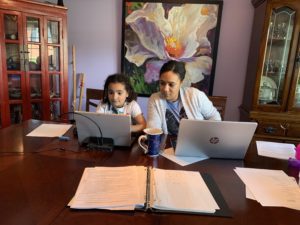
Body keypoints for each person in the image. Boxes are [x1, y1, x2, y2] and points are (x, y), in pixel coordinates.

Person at [147, 60, 221, 135]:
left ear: (181, 83)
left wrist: (204, 136)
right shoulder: (155, 99)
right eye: (162, 83)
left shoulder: (196, 95)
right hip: (170, 144)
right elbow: (153, 130)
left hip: (197, 141)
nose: (165, 89)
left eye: (171, 84)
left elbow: (215, 117)